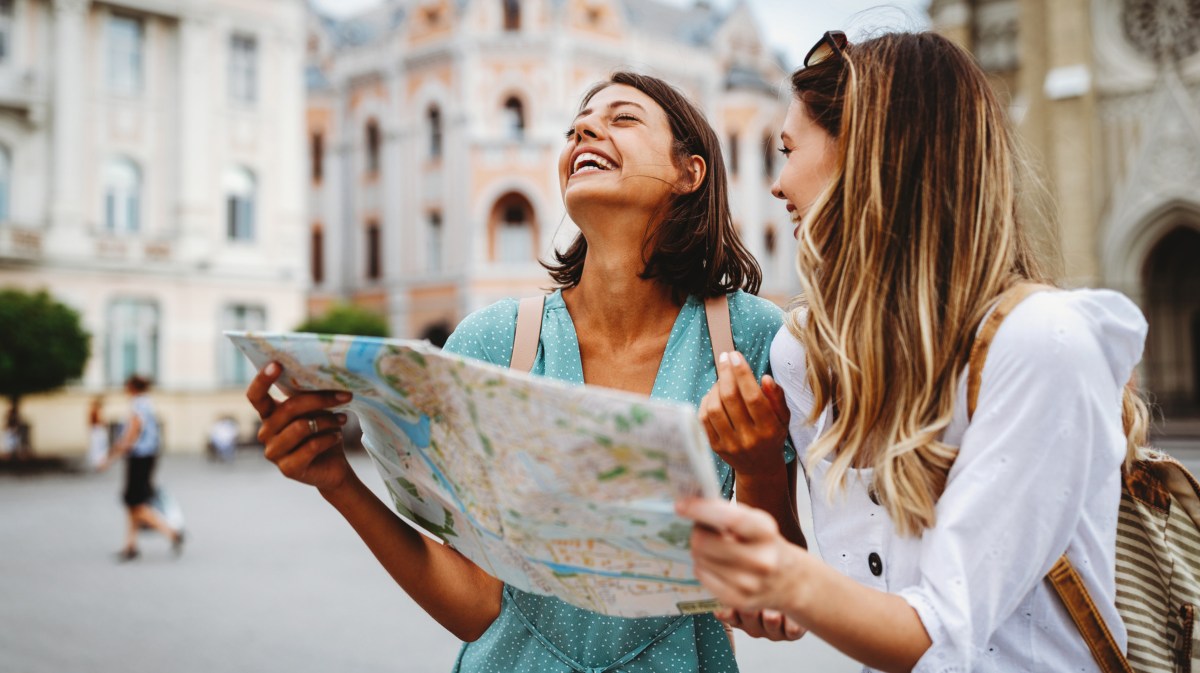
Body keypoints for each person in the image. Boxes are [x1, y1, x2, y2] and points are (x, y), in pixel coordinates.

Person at [245, 71, 801, 672]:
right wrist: (339, 482)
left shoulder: (751, 338)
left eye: (622, 118)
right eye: (576, 126)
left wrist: (761, 464)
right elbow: (476, 606)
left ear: (690, 172)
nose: (584, 128)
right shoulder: (491, 341)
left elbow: (779, 598)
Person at [676, 31, 1149, 672]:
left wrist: (779, 573)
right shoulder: (803, 353)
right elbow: (791, 614)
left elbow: (941, 635)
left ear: (872, 155)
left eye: (789, 150)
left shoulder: (1040, 342)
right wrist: (758, 471)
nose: (777, 184)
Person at [100, 375, 184, 561]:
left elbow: (131, 435)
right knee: (132, 503)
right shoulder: (147, 403)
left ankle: (173, 533)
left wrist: (110, 457)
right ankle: (130, 545)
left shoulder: (138, 405)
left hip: (139, 458)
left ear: (131, 387)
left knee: (136, 503)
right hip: (147, 457)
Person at [86, 396, 109, 471]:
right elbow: (100, 421)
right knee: (100, 448)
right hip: (98, 430)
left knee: (97, 448)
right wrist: (104, 423)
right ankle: (100, 464)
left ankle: (99, 464)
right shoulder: (96, 411)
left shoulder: (93, 411)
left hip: (95, 431)